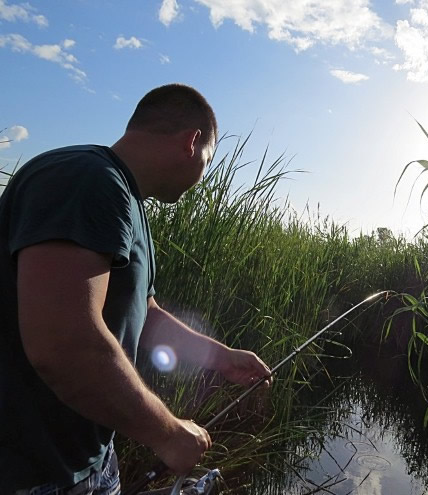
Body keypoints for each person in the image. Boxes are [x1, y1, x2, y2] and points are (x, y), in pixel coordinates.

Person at [0, 84, 273, 494]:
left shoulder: (125, 200)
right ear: (192, 142)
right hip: (33, 473)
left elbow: (144, 314)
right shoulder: (87, 179)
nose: (204, 174)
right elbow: (63, 344)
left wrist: (220, 357)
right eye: (209, 160)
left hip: (87, 459)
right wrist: (167, 434)